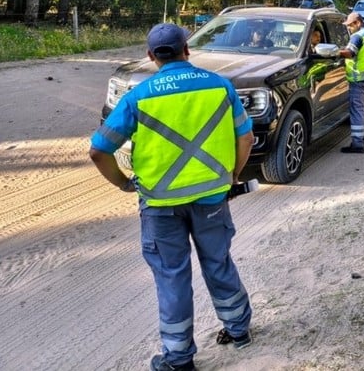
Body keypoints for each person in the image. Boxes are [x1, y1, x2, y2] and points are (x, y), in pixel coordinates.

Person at [88, 23, 255, 371]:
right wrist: (234, 175)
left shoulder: (138, 96)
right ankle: (239, 330)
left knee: (172, 277)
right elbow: (246, 138)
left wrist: (123, 183)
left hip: (160, 207)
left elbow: (99, 151)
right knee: (218, 262)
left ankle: (179, 359)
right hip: (212, 197)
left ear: (151, 56)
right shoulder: (220, 87)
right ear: (187, 50)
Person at [338, 12, 364, 153]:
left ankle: (357, 144)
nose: (349, 28)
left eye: (350, 25)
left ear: (358, 23)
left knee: (357, 111)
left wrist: (337, 52)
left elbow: (350, 53)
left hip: (359, 80)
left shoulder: (357, 37)